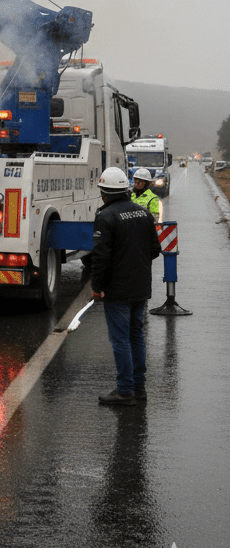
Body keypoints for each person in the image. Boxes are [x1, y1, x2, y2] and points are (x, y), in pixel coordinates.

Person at [91, 166, 161, 406]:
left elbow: (100, 257)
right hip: (141, 287)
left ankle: (124, 391)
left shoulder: (106, 216)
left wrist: (97, 286)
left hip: (117, 290)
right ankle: (139, 387)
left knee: (120, 339)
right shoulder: (142, 213)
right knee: (136, 336)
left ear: (106, 193)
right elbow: (155, 250)